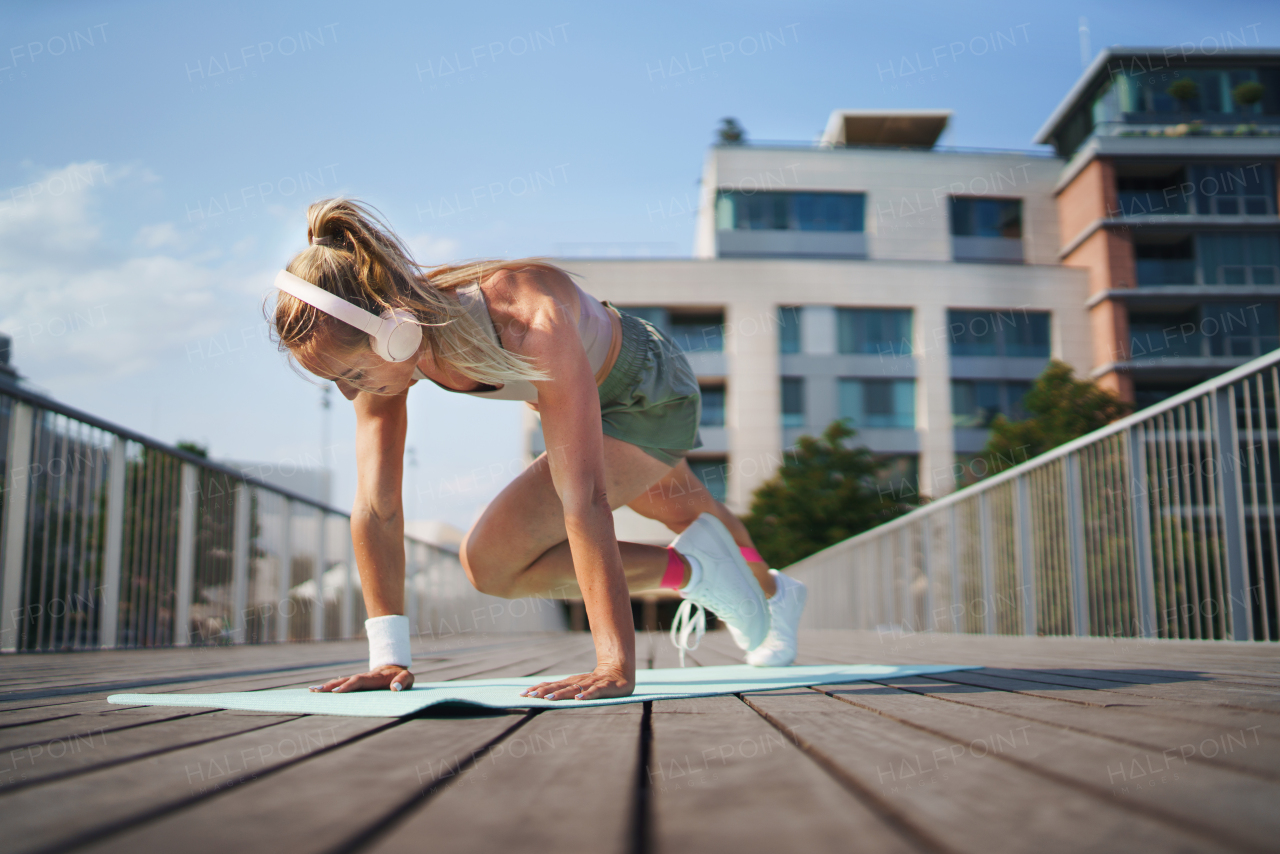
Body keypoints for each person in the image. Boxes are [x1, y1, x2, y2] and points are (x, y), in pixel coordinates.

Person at [270, 198, 808, 701]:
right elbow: (376, 507)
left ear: (395, 329)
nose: (348, 390)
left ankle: (697, 571)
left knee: (508, 555)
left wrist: (614, 666)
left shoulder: (524, 317)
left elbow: (585, 499)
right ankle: (773, 595)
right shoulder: (386, 357)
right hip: (593, 393)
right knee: (684, 511)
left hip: (648, 393)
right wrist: (388, 658)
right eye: (334, 381)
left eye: (351, 372)